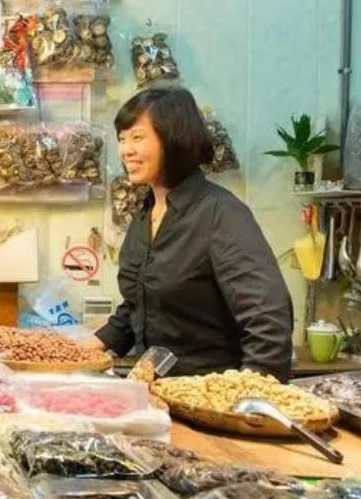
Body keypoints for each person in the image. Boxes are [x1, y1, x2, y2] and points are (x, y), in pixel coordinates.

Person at [87, 86, 293, 381]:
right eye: (122, 139)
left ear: (173, 139)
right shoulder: (145, 214)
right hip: (157, 394)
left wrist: (247, 400)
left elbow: (268, 320)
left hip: (209, 400)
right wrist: (84, 349)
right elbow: (141, 304)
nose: (125, 150)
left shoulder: (221, 214)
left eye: (137, 137)